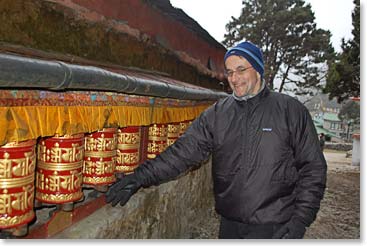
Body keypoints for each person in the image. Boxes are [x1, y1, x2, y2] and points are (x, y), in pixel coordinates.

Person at [106, 41, 327, 239]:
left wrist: (300, 220)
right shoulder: (218, 114)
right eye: (229, 72)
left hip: (274, 226)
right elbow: (182, 153)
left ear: (258, 70)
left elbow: (313, 168)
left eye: (241, 69)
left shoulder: (290, 111)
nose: (234, 78)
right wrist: (139, 177)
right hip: (230, 225)